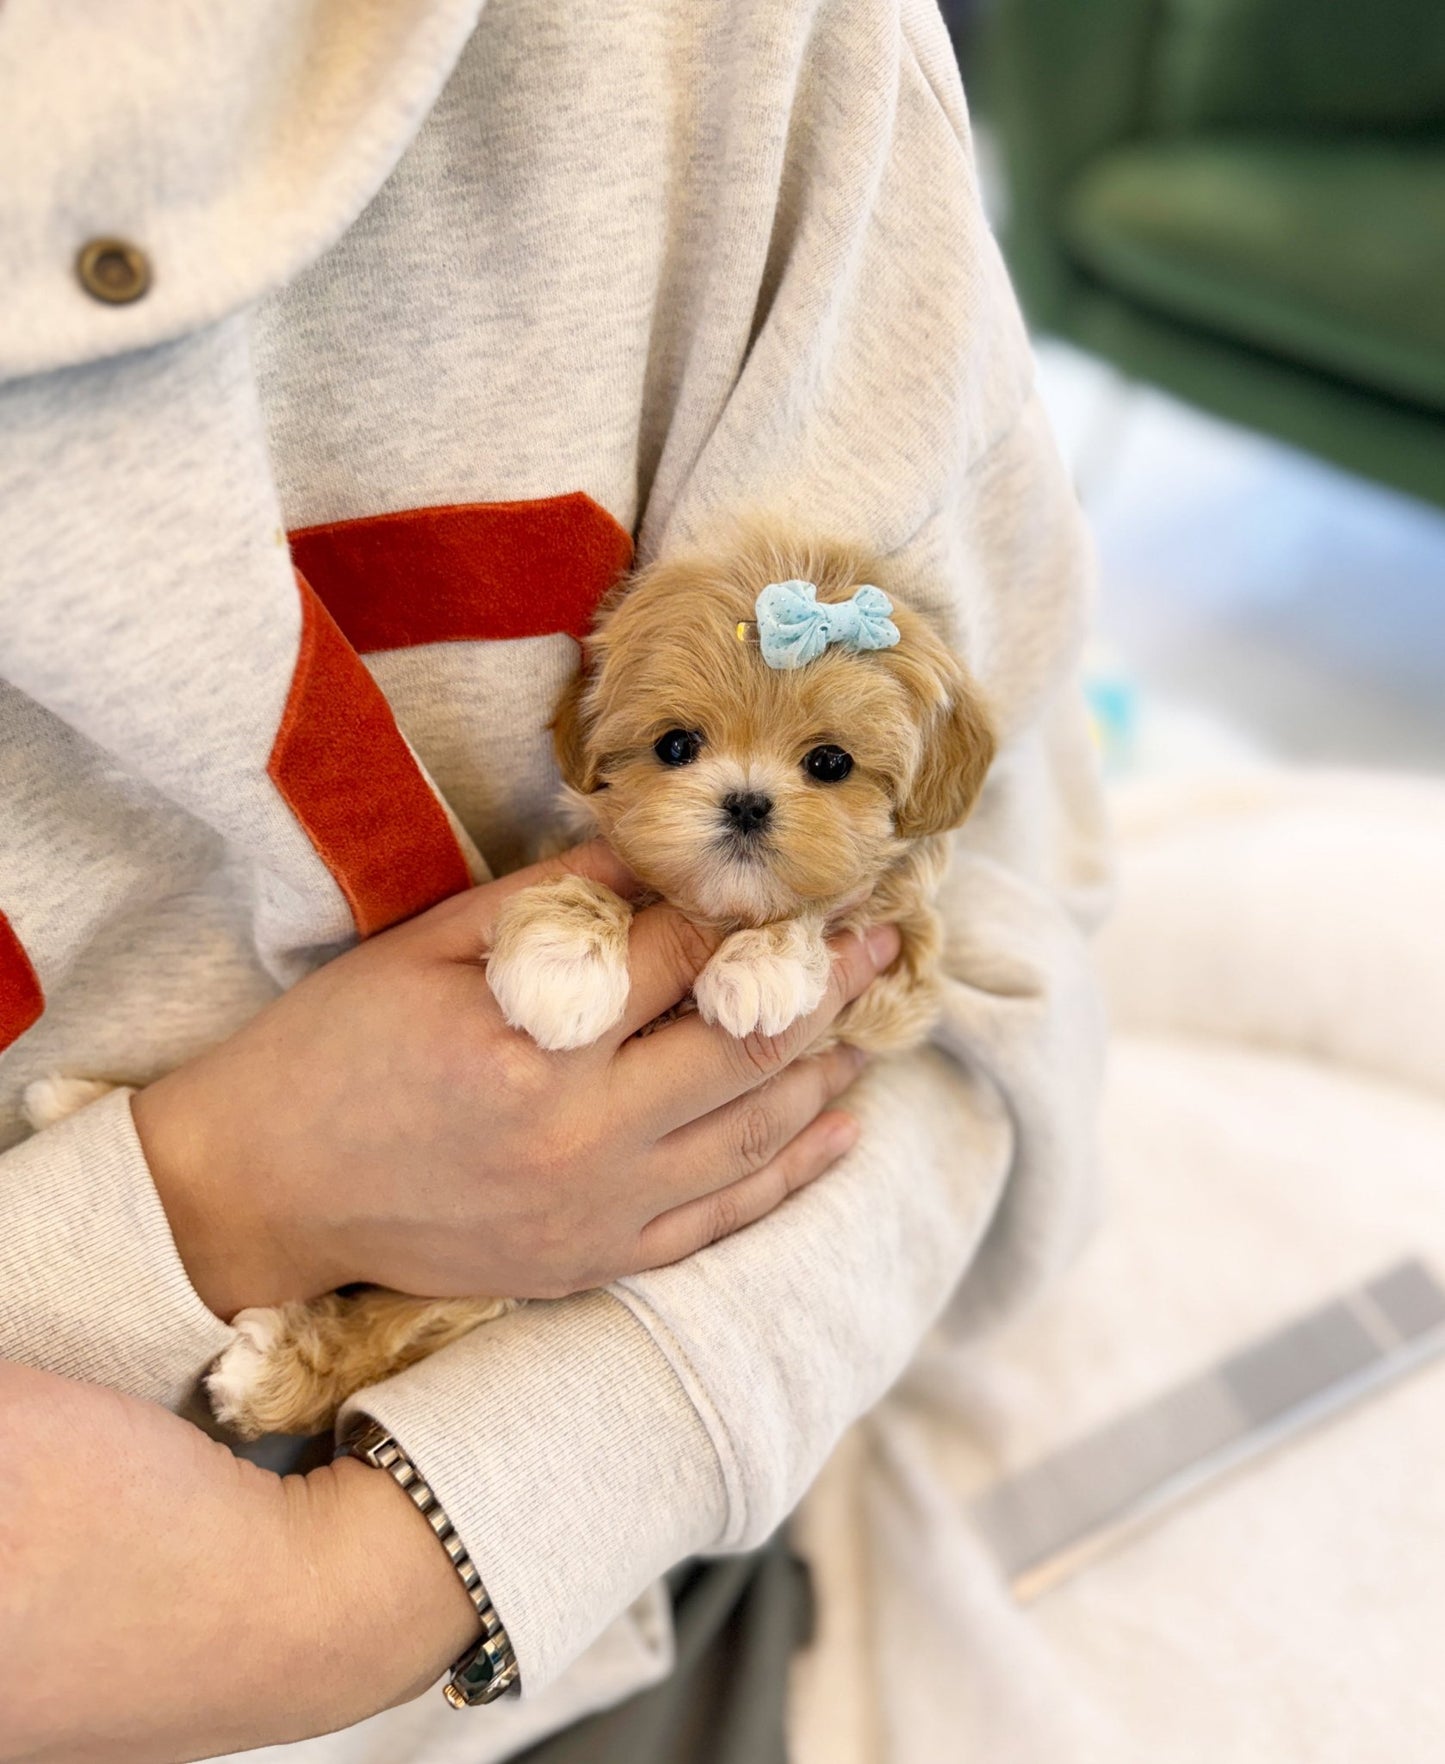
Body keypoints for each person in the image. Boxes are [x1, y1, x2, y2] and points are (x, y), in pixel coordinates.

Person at [0, 2, 1107, 1760]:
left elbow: (984, 968)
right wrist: (202, 1203)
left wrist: (370, 1581)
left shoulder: (756, 60)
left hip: (584, 1598)